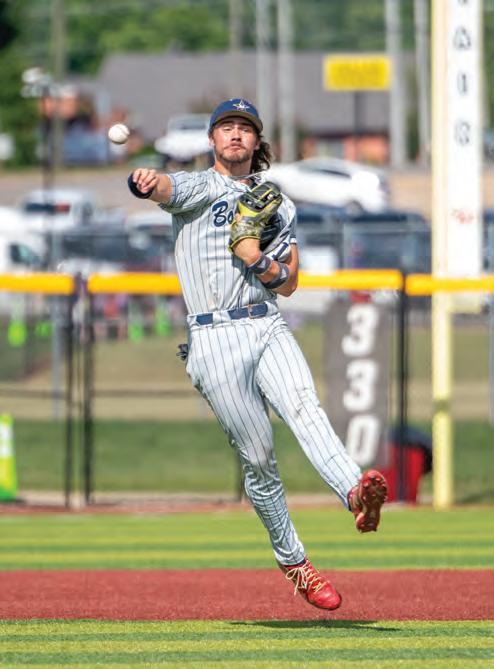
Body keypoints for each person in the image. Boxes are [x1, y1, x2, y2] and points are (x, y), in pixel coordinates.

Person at [128, 98, 388, 611]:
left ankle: (354, 493)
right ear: (211, 139)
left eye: (244, 128)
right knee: (260, 458)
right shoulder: (201, 187)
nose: (235, 134)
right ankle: (295, 563)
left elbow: (289, 283)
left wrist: (254, 256)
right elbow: (164, 188)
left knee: (305, 408)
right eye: (226, 126)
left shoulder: (280, 204)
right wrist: (145, 180)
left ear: (257, 140)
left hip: (266, 322)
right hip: (213, 337)